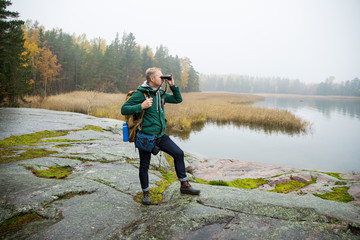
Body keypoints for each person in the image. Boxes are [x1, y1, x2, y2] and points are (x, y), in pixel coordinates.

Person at [121, 67, 200, 205]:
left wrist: (172, 85)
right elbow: (124, 109)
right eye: (160, 77)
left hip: (161, 136)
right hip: (146, 137)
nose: (162, 79)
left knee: (178, 153)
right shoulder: (141, 94)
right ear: (151, 79)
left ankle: (184, 185)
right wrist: (141, 105)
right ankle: (146, 193)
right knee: (144, 166)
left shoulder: (160, 94)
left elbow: (178, 99)